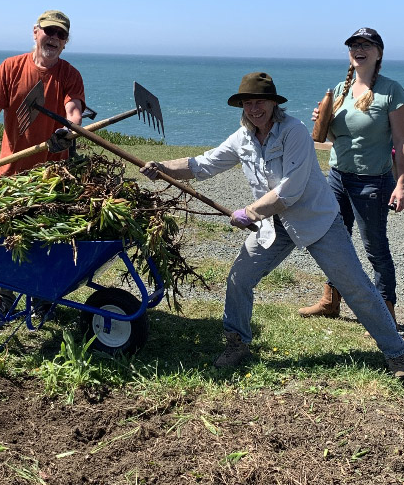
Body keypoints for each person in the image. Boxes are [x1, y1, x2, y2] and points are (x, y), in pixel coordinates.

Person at [140, 71, 404, 379]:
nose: (254, 109)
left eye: (260, 102)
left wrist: (249, 213)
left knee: (355, 286)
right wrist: (162, 167)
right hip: (273, 224)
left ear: (273, 104)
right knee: (239, 278)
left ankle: (396, 352)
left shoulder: (294, 132)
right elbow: (204, 164)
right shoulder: (243, 138)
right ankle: (236, 342)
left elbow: (290, 190)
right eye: (248, 103)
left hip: (316, 219)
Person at [0, 10, 86, 325]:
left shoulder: (69, 75)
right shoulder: (10, 68)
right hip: (11, 175)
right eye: (49, 31)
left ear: (65, 42)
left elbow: (73, 110)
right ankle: (1, 299)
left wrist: (67, 131)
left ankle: (42, 296)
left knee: (47, 239)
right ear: (36, 32)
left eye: (61, 35)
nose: (54, 38)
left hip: (51, 179)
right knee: (6, 239)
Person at [298, 28, 404, 326]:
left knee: (375, 249)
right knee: (334, 242)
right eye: (354, 45)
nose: (359, 49)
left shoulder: (391, 90)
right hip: (337, 177)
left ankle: (385, 314)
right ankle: (331, 301)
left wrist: (401, 183)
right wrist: (322, 121)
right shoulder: (340, 89)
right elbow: (338, 137)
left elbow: (400, 141)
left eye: (366, 45)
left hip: (372, 181)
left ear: (378, 53)